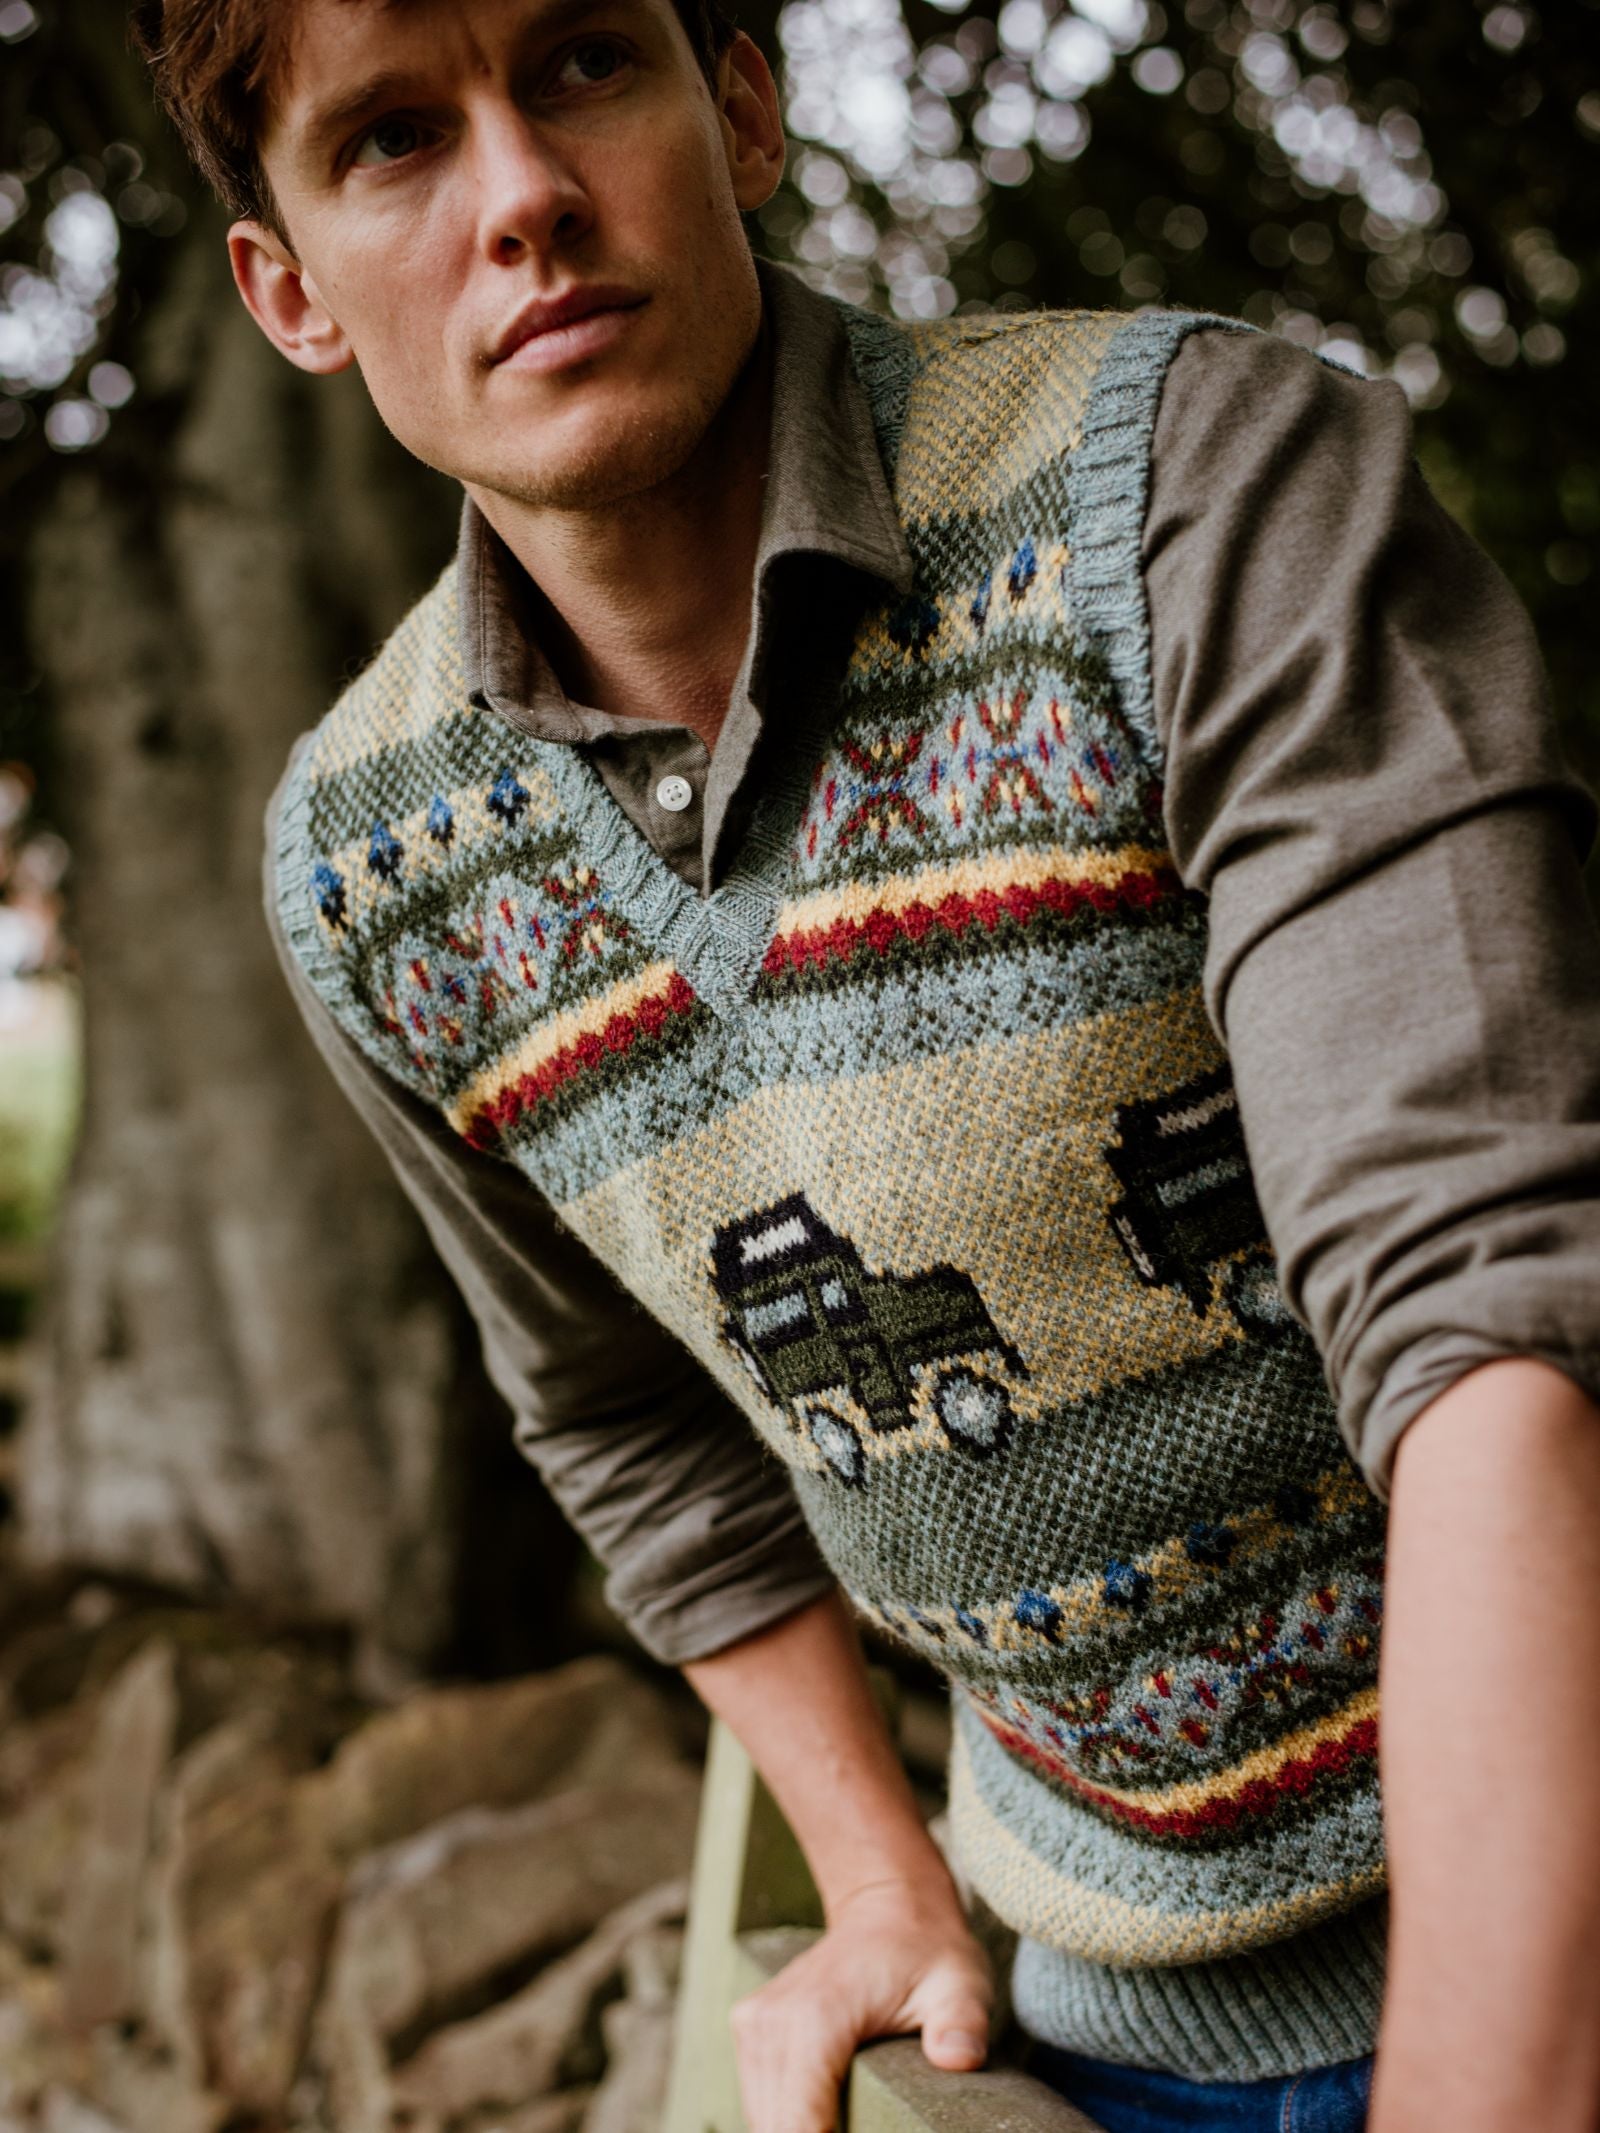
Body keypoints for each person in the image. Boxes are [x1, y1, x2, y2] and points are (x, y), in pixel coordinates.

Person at [132, 0, 1600, 2127]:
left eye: (576, 65)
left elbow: (1489, 1311)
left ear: (737, 103)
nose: (522, 196)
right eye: (386, 141)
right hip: (1092, 1999)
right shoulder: (370, 868)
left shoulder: (1195, 485)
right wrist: (873, 1870)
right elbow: (622, 1419)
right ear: (288, 293)